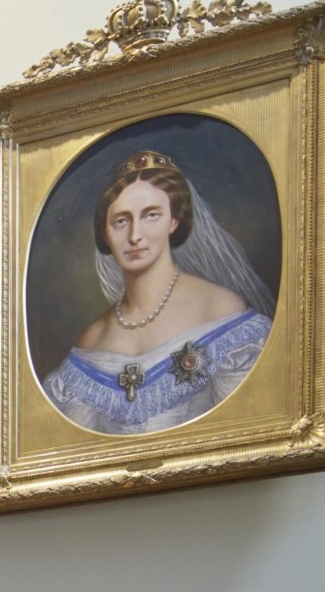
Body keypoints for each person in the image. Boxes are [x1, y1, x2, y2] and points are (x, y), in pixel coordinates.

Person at [40, 150, 274, 436]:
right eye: (121, 221)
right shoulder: (93, 337)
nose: (135, 235)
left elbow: (246, 432)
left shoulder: (218, 308)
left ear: (173, 221)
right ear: (105, 232)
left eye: (151, 215)